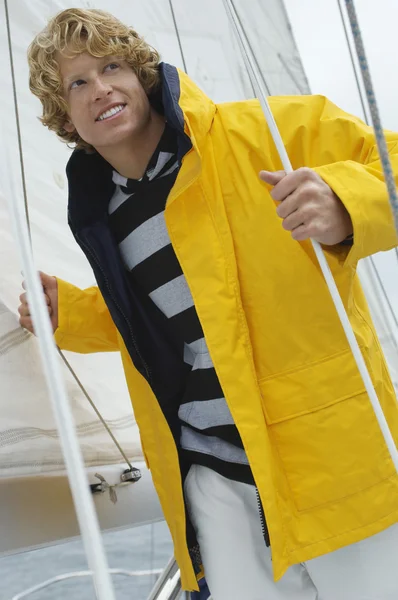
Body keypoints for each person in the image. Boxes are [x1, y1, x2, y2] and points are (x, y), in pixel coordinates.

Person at [19, 8, 398, 600]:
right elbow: (165, 315)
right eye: (76, 83)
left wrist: (348, 203)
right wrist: (74, 313)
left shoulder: (271, 131)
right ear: (64, 118)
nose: (100, 89)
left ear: (141, 73)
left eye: (111, 66)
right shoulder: (103, 215)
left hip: (329, 458)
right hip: (211, 474)